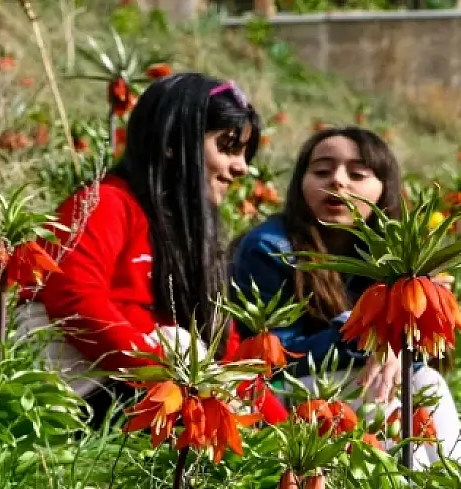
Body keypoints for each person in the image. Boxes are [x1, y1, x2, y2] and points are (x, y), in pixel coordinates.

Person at [15, 73, 284, 426]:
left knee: (195, 354)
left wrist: (287, 430)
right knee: (182, 348)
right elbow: (74, 297)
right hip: (78, 391)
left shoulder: (187, 235)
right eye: (228, 148)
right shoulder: (107, 203)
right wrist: (166, 375)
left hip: (137, 385)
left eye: (244, 154)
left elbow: (226, 349)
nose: (242, 168)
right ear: (172, 142)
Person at [230, 127, 461, 476]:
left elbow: (426, 351)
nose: (338, 181)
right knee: (385, 396)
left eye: (357, 174)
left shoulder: (390, 252)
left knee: (425, 383)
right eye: (321, 171)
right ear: (301, 183)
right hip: (282, 390)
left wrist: (401, 341)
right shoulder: (269, 248)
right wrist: (369, 338)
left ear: (382, 188)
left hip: (354, 386)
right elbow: (274, 357)